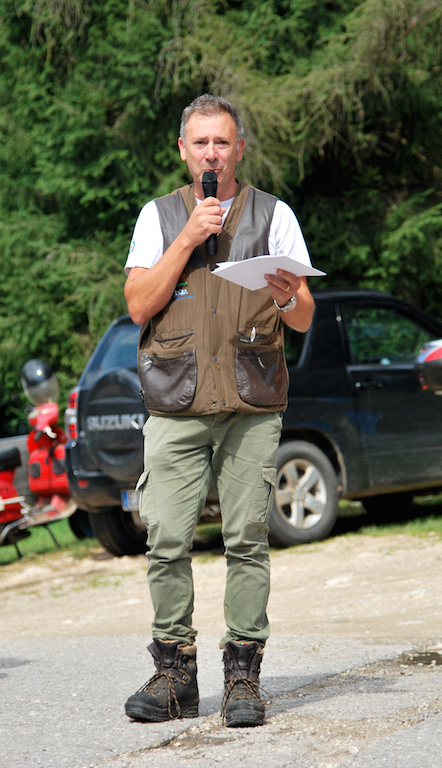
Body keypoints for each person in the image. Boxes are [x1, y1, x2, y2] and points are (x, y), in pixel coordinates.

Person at [123, 94, 315, 728]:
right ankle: (175, 674)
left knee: (247, 539)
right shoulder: (158, 217)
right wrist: (188, 236)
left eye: (222, 142)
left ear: (239, 149)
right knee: (165, 539)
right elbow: (138, 304)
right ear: (183, 150)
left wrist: (286, 298)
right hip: (174, 402)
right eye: (201, 143)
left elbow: (304, 315)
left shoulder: (274, 214)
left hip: (251, 402)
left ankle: (243, 676)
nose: (212, 154)